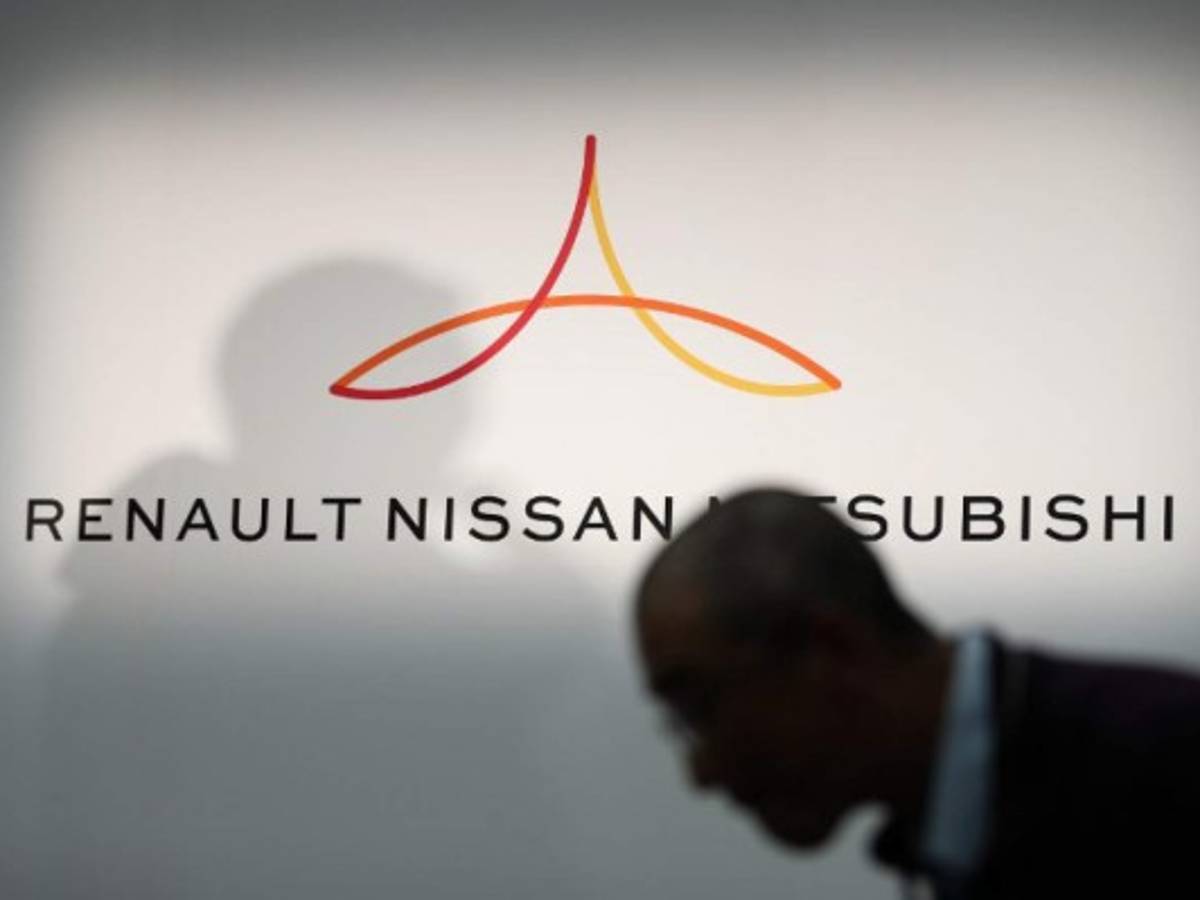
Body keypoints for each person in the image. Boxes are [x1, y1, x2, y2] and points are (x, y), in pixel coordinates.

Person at [632, 487, 1200, 899]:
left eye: (700, 708)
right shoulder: (964, 827)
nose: (701, 773)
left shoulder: (1170, 758)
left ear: (831, 650)